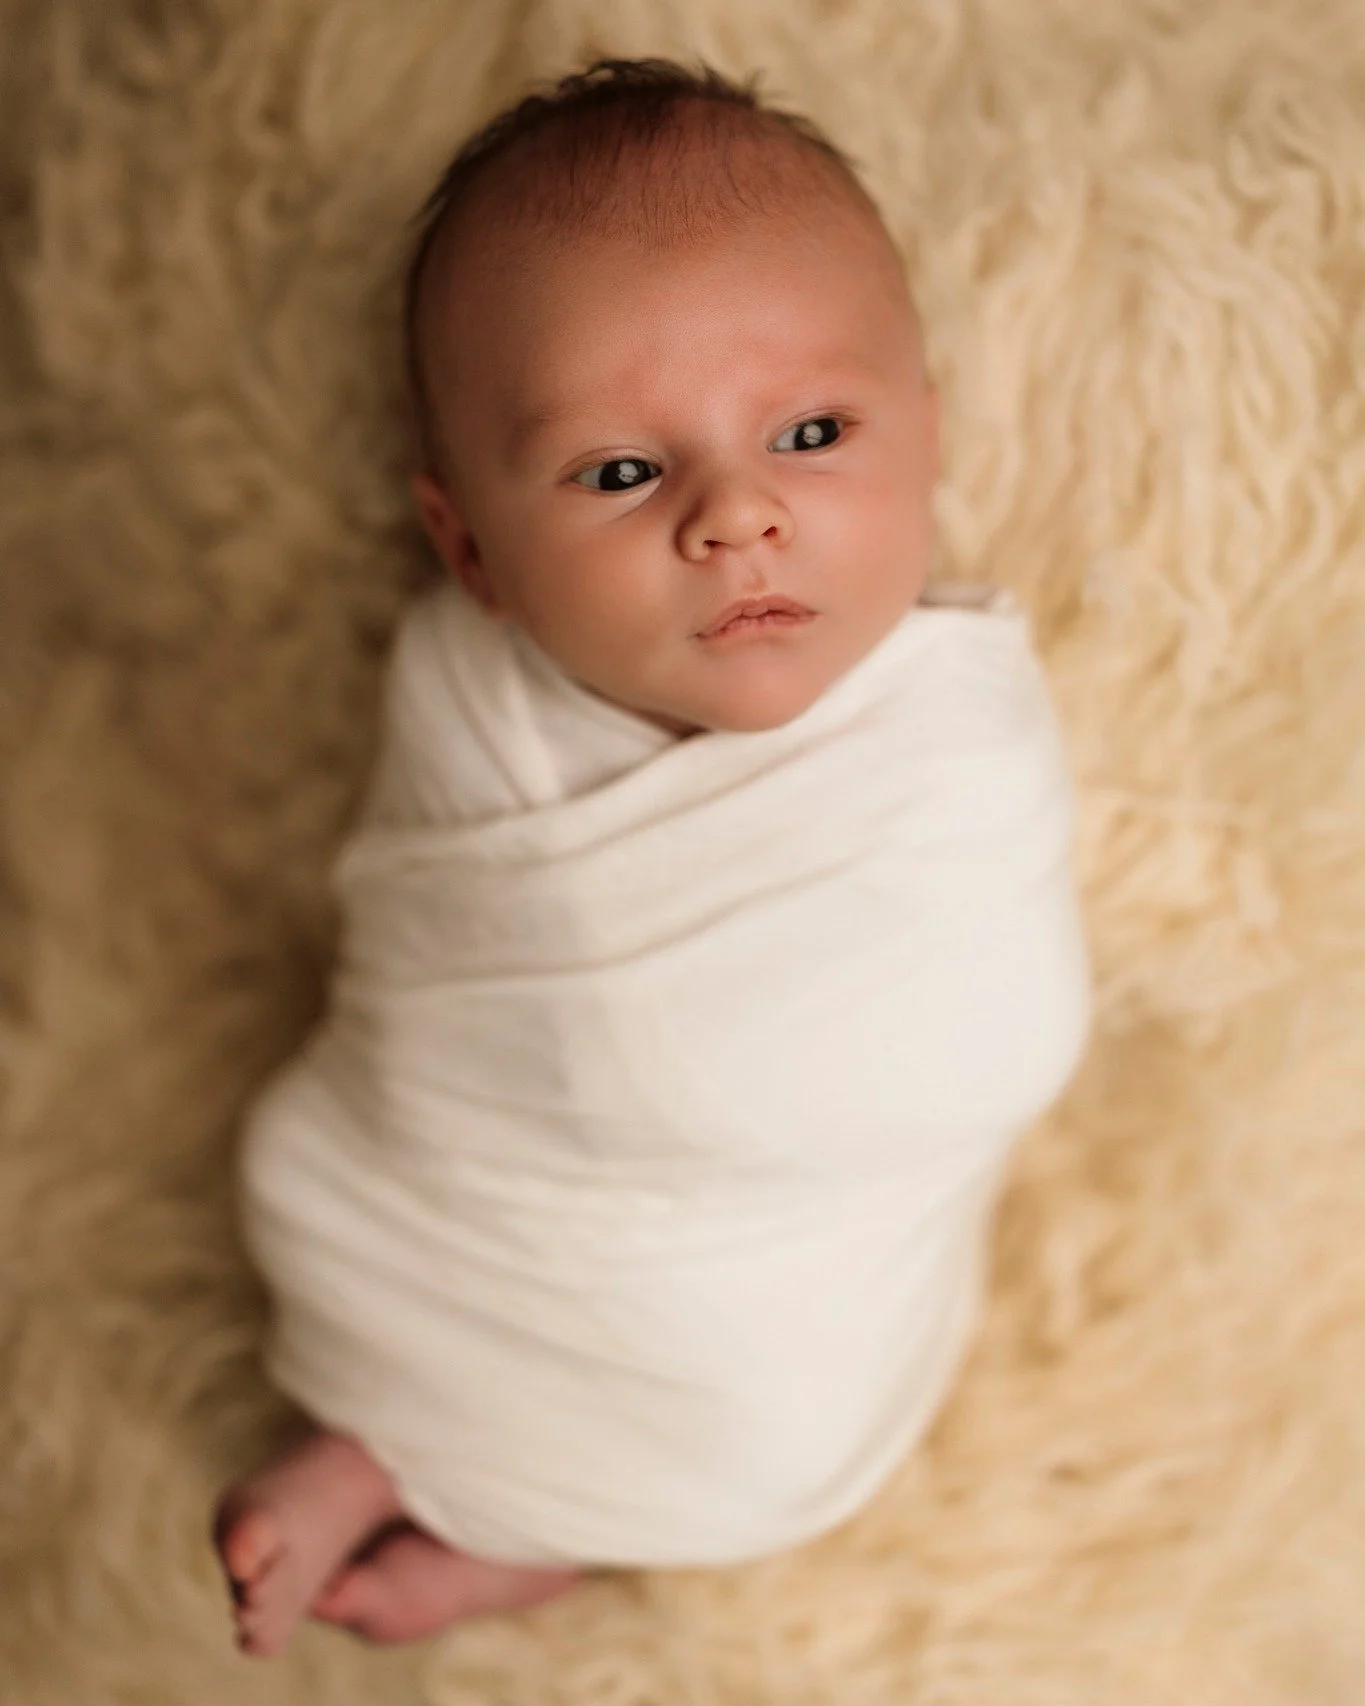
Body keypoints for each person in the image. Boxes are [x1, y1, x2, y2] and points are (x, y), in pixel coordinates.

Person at [211, 57, 1093, 1658]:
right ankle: (392, 1453)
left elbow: (996, 1013)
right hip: (471, 1217)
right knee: (359, 1249)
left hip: (795, 1297)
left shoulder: (954, 726)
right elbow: (444, 987)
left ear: (930, 440)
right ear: (469, 545)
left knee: (763, 1433)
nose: (737, 516)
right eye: (623, 470)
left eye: (813, 431)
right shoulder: (474, 707)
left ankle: (514, 1532)